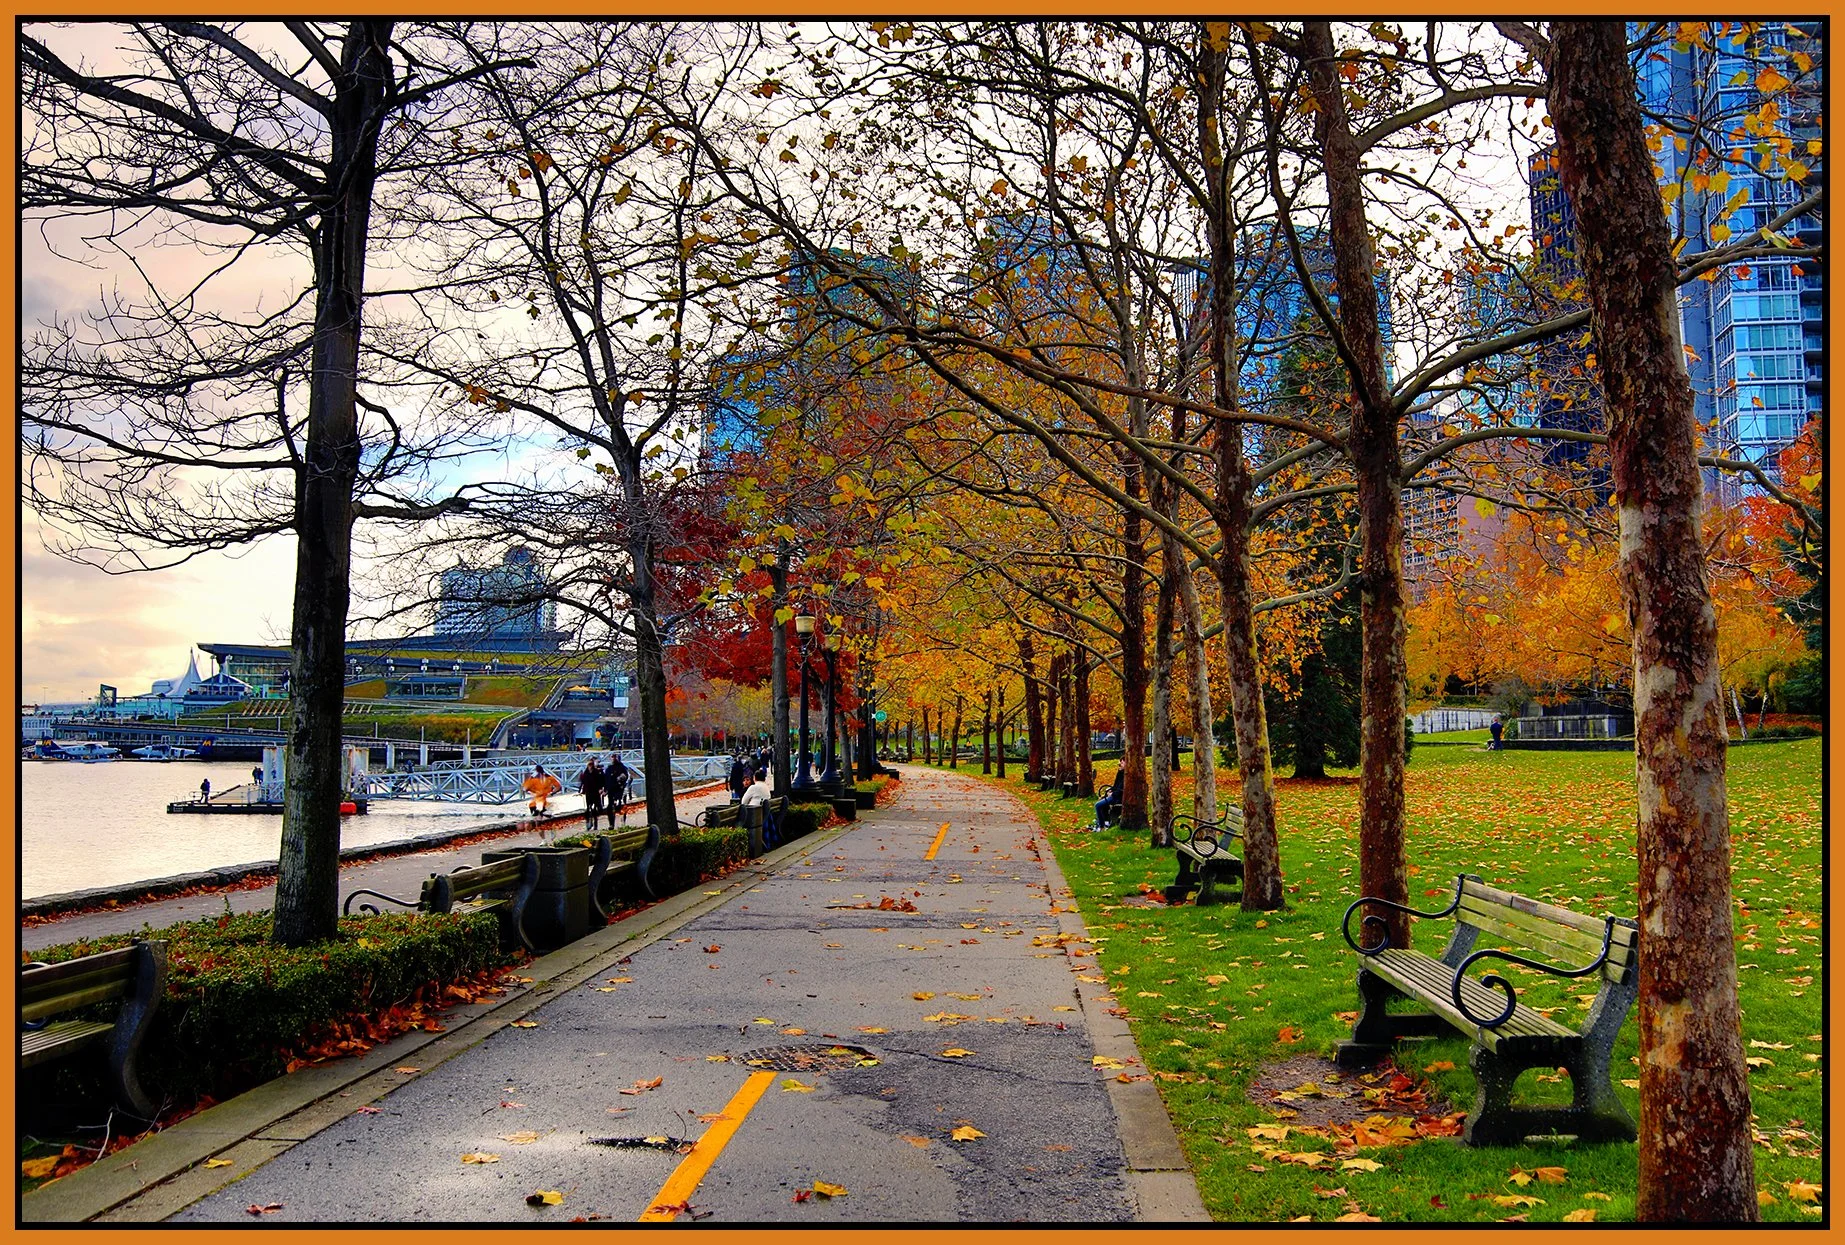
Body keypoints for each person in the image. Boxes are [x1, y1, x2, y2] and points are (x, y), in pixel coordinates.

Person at [578, 756, 605, 834]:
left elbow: (601, 781)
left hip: (595, 792)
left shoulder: (597, 773)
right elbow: (582, 783)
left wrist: (601, 789)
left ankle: (595, 822)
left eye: (591, 764)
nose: (589, 766)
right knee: (588, 808)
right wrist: (580, 790)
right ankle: (588, 822)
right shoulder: (584, 774)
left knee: (595, 808)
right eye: (588, 765)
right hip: (588, 792)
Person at [605, 753, 631, 818]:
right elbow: (606, 778)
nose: (613, 759)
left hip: (619, 787)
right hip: (611, 788)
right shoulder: (609, 768)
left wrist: (622, 778)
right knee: (610, 805)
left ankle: (620, 812)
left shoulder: (622, 767)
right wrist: (605, 789)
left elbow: (626, 776)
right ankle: (611, 822)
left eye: (614, 757)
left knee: (619, 801)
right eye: (612, 757)